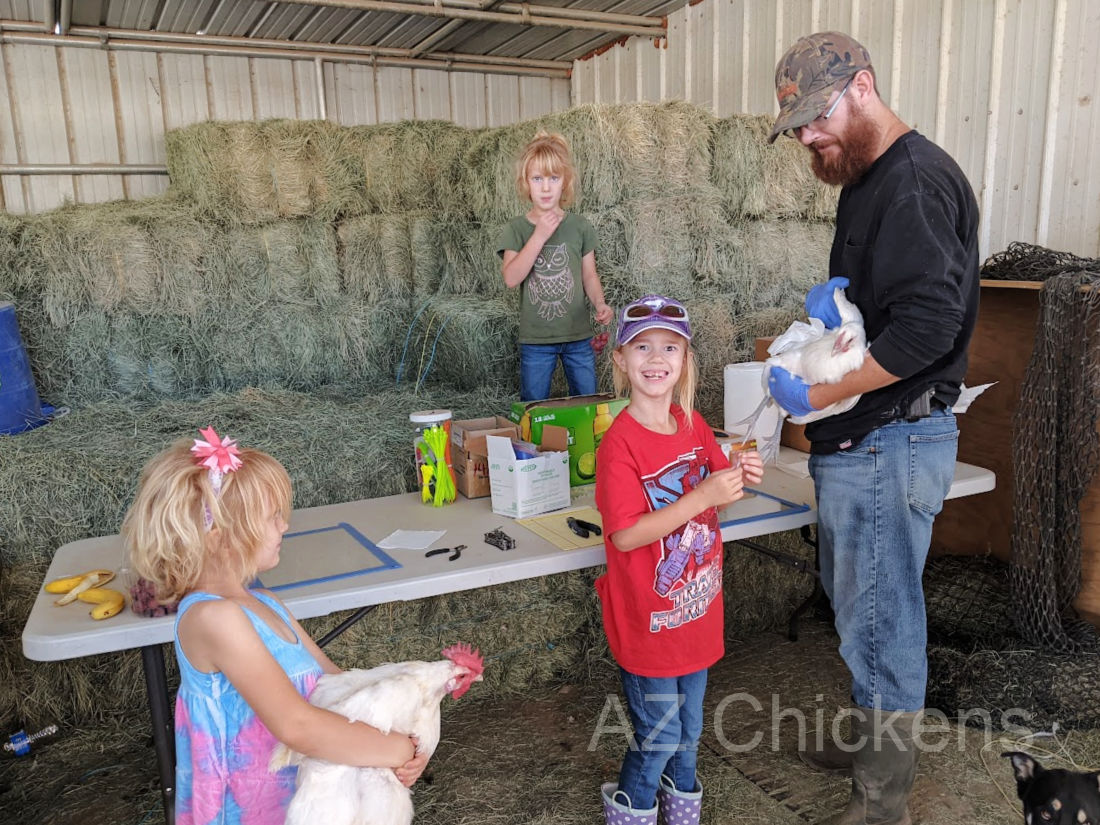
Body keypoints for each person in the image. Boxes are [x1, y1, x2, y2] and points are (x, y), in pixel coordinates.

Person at [764, 32, 980, 825]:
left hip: (892, 437)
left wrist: (825, 396)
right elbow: (884, 312)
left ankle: (881, 804)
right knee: (862, 610)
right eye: (796, 128)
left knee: (884, 621)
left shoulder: (913, 182)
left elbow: (927, 328)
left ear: (862, 87)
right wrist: (829, 326)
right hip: (870, 440)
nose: (806, 138)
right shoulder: (866, 179)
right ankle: (873, 747)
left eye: (814, 119)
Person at [122, 428, 428, 824]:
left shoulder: (268, 604)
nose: (284, 526)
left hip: (307, 801)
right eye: (272, 516)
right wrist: (396, 749)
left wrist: (404, 744)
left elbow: (337, 687)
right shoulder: (212, 618)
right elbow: (296, 726)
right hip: (253, 811)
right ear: (220, 533)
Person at [594, 295, 764, 825]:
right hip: (650, 620)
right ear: (621, 360)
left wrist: (742, 473)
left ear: (685, 360)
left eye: (670, 346)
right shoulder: (618, 445)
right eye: (642, 347)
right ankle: (634, 809)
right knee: (660, 733)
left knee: (688, 731)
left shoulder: (691, 423)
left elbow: (722, 483)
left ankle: (681, 806)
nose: (656, 358)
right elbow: (624, 536)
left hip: (695, 612)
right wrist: (704, 497)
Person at [497, 131, 613, 401]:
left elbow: (589, 275)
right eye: (538, 179)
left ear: (565, 183)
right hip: (536, 341)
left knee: (587, 402)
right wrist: (538, 236)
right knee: (534, 406)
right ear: (526, 183)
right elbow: (511, 278)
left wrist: (600, 304)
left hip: (578, 337)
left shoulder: (579, 226)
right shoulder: (517, 229)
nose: (546, 188)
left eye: (553, 178)